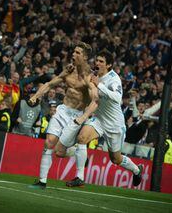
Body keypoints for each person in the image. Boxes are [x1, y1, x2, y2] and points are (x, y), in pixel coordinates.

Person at [66, 50, 142, 187]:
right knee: (82, 138)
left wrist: (99, 84)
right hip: (99, 119)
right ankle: (79, 177)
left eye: (101, 61)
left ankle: (136, 170)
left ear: (109, 65)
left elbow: (117, 98)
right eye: (97, 60)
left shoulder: (113, 78)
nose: (98, 63)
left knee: (115, 159)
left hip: (114, 124)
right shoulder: (93, 75)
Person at [28, 42, 98, 189]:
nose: (73, 54)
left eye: (78, 53)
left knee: (60, 152)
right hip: (62, 111)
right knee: (48, 143)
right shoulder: (68, 71)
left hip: (76, 116)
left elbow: (95, 99)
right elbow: (49, 84)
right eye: (74, 52)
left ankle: (76, 152)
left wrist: (86, 115)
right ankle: (42, 181)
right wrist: (36, 96)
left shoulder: (90, 77)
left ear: (85, 57)